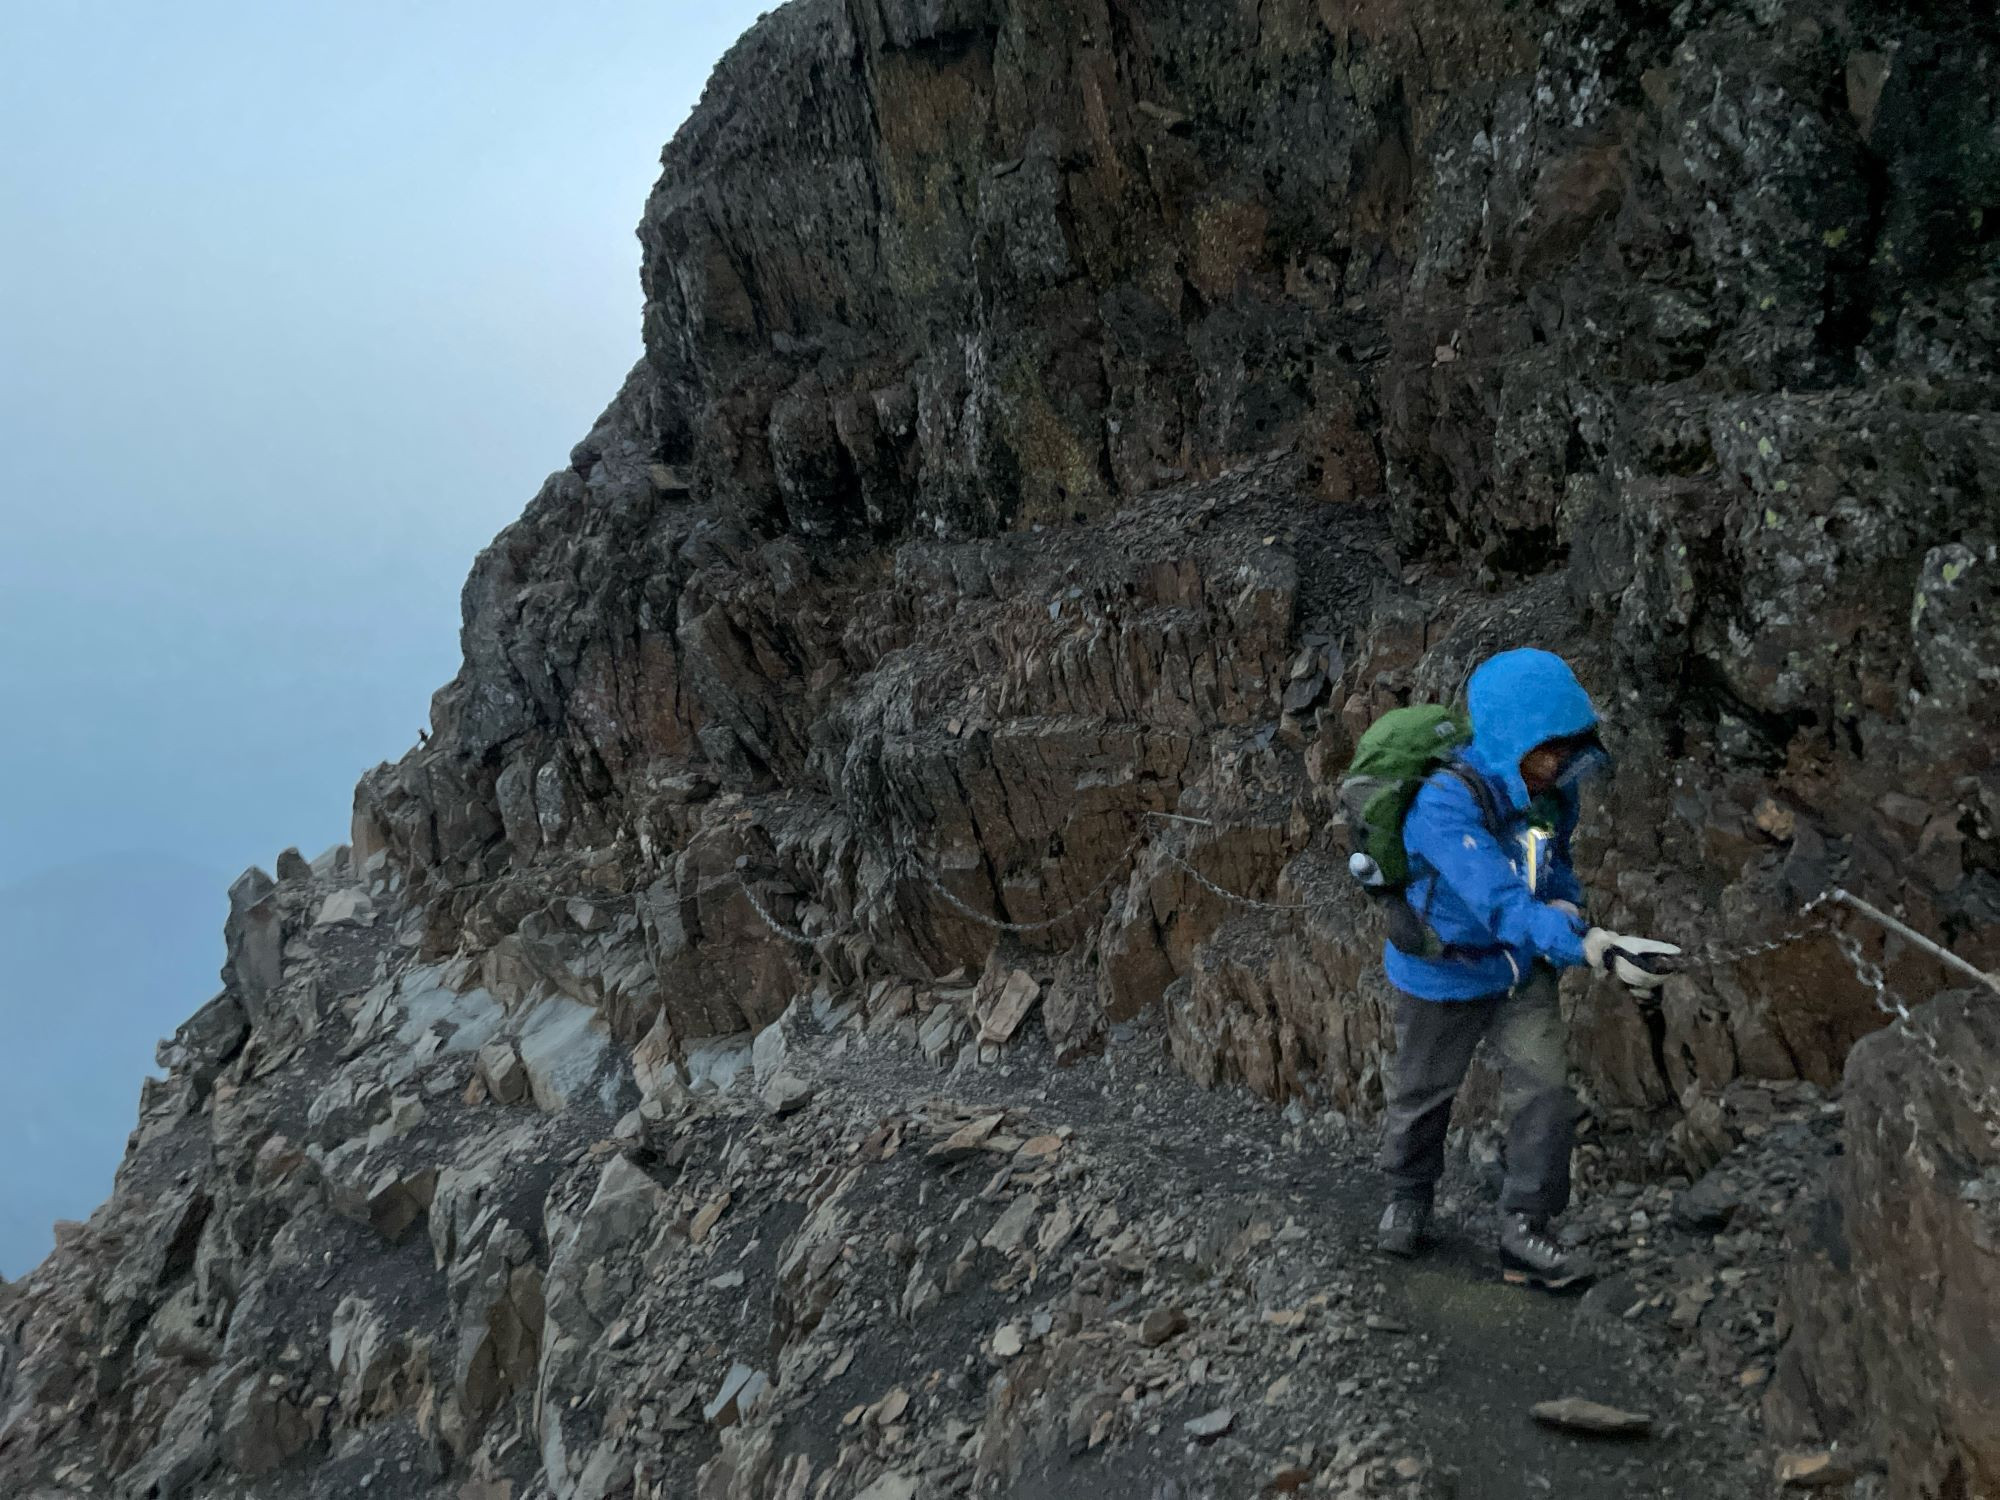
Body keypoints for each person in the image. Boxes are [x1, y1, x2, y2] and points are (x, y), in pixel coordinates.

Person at [1373, 648, 1680, 1286]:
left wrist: (1573, 906)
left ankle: (1525, 1231)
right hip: (1441, 972)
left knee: (1545, 1091)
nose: (1557, 763)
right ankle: (1408, 1196)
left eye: (1566, 749)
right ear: (1510, 737)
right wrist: (1592, 944)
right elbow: (1496, 899)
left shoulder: (1547, 797)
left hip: (1517, 966)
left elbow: (1552, 866)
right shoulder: (1443, 804)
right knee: (1423, 1094)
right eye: (1544, 748)